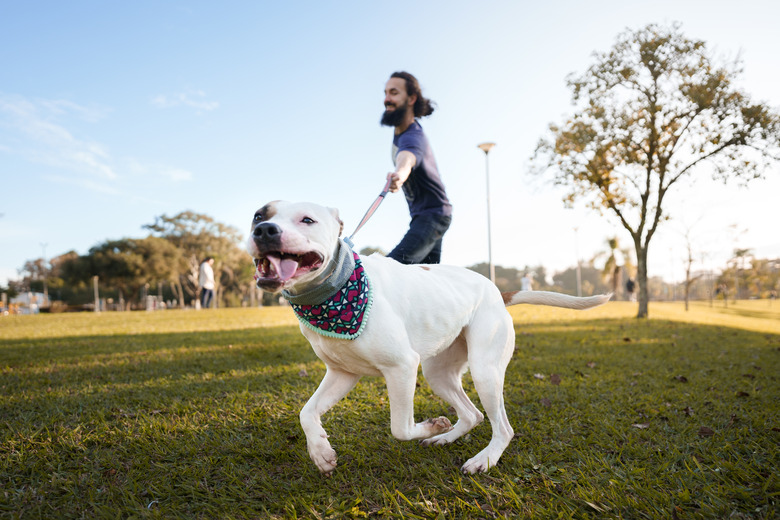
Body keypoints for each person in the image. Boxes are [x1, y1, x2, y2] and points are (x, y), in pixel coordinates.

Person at [381, 71, 452, 264]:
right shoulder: (401, 132)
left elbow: (408, 157)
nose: (387, 99)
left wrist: (400, 174)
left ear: (411, 98)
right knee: (426, 276)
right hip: (426, 216)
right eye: (385, 93)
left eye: (394, 93)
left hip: (433, 216)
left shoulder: (413, 135)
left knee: (390, 269)